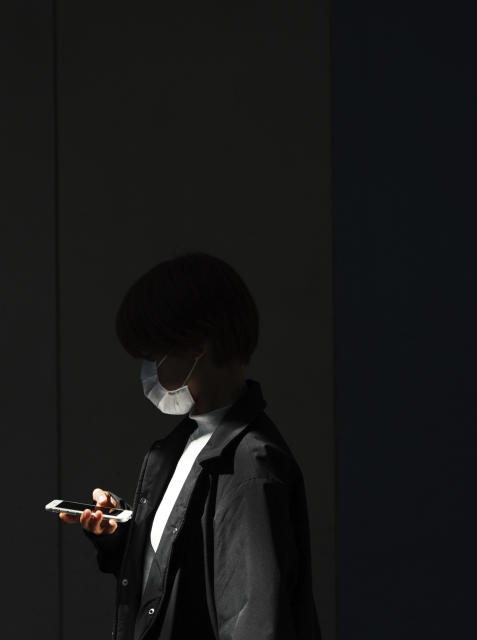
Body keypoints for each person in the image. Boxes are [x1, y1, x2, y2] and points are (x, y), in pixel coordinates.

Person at [59, 251, 321, 640]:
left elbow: (256, 623)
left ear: (197, 344)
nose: (147, 371)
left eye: (152, 356)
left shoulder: (250, 465)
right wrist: (120, 538)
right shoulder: (182, 446)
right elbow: (175, 579)